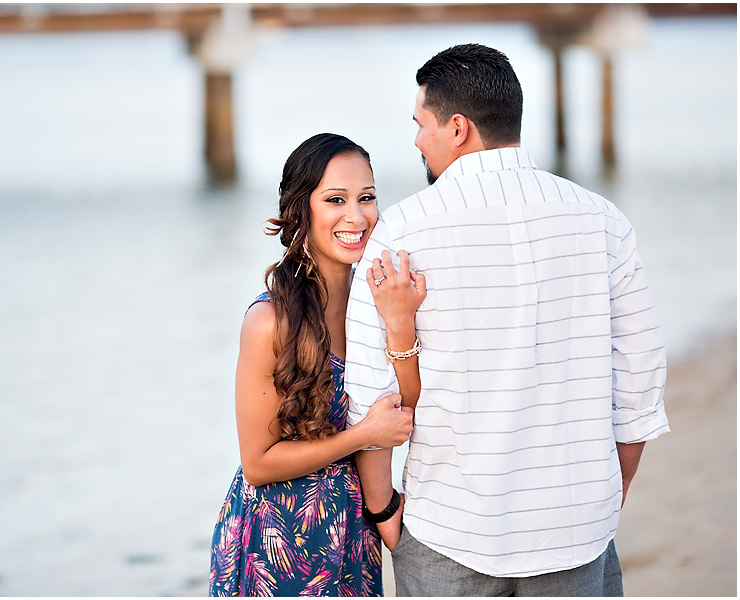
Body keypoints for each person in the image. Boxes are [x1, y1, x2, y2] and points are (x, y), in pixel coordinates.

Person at [345, 44, 670, 596]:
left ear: (457, 129)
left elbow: (371, 396)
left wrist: (383, 512)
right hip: (576, 525)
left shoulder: (401, 233)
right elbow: (640, 377)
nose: (416, 140)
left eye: (421, 124)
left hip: (449, 526)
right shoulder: (603, 222)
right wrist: (610, 489)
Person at [209, 133, 426, 597]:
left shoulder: (378, 303)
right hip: (275, 542)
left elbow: (404, 407)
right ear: (300, 210)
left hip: (350, 535)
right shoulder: (270, 321)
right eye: (335, 199)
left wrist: (401, 322)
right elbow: (258, 463)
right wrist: (362, 436)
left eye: (366, 198)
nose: (356, 215)